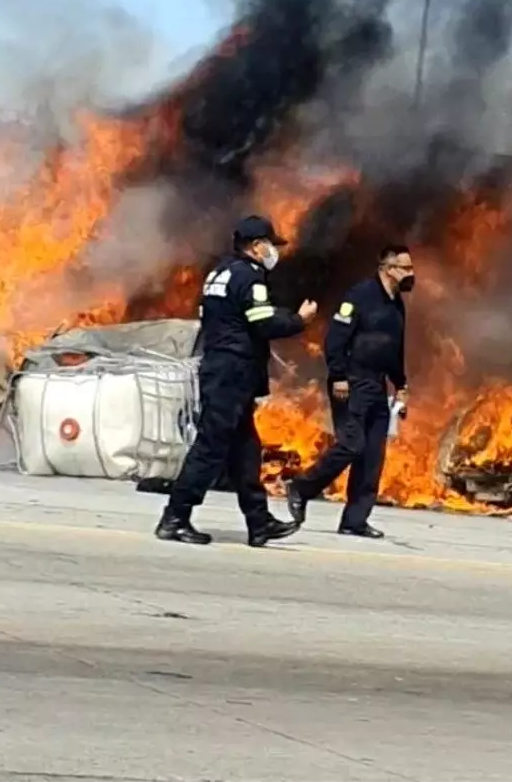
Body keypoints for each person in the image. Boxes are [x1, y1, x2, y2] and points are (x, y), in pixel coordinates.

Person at [156, 215, 317, 547]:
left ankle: (259, 524)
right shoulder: (250, 277)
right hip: (232, 373)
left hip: (222, 370)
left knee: (246, 450)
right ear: (257, 246)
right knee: (209, 448)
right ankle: (175, 517)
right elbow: (263, 323)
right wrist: (298, 320)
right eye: (271, 244)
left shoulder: (220, 272)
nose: (274, 251)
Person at [286, 244, 414, 539]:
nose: (411, 273)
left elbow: (395, 349)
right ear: (388, 269)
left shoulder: (396, 304)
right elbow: (335, 339)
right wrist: (339, 375)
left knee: (372, 456)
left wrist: (402, 384)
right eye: (406, 268)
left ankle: (355, 520)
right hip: (351, 382)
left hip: (377, 384)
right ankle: (302, 487)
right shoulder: (359, 296)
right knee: (352, 444)